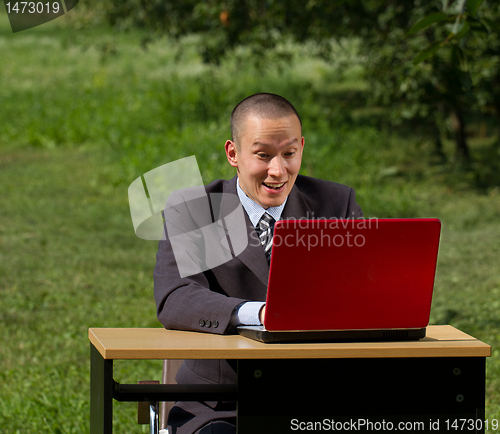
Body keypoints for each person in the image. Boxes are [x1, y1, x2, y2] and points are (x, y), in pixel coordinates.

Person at [154, 93, 363, 434]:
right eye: (263, 155)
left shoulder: (336, 204)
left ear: (302, 148)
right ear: (233, 154)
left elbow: (363, 289)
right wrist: (261, 313)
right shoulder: (196, 210)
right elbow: (174, 296)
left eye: (289, 154)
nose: (278, 170)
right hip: (220, 405)